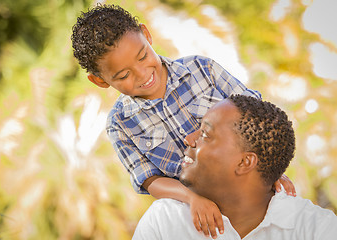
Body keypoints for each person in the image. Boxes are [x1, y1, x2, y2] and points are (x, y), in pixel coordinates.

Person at [71, 4, 296, 238]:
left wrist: (269, 172)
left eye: (143, 56)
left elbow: (257, 122)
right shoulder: (120, 124)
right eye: (124, 75)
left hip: (248, 197)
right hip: (198, 218)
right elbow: (150, 179)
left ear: (146, 35)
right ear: (99, 80)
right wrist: (192, 198)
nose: (142, 74)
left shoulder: (203, 69)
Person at [133, 94, 337, 240]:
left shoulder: (318, 229)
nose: (188, 139)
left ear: (244, 162)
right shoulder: (165, 221)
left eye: (205, 134)